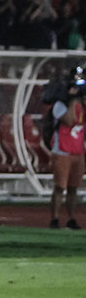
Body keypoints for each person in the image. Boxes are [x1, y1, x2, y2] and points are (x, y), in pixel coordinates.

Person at [48, 74, 85, 229]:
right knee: (60, 187)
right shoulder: (60, 104)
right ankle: (55, 218)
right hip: (62, 150)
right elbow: (69, 120)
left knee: (73, 187)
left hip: (78, 151)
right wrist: (72, 101)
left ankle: (71, 217)